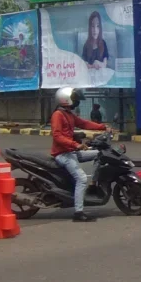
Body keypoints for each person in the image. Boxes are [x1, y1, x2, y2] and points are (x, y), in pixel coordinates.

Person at [50, 87, 107, 222]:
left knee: (100, 154)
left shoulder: (68, 114)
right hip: (63, 154)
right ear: (66, 99)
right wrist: (76, 145)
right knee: (81, 178)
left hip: (71, 152)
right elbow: (57, 136)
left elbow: (83, 123)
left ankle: (93, 184)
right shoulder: (58, 115)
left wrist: (103, 127)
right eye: (74, 99)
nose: (77, 102)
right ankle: (78, 212)